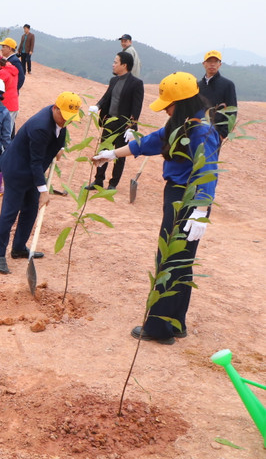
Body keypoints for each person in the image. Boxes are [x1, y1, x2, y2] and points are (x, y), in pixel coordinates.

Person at [91, 72, 220, 345]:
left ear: (181, 102)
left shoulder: (202, 130)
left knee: (170, 261)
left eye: (168, 105)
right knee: (180, 262)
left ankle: (159, 329)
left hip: (188, 199)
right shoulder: (182, 123)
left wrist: (200, 210)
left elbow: (208, 171)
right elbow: (150, 142)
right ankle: (176, 323)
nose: (165, 110)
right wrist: (113, 153)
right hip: (178, 195)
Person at [0, 92, 81, 274]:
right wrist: (44, 190)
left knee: (31, 209)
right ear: (55, 108)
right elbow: (35, 162)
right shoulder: (40, 126)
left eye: (70, 118)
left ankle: (18, 248)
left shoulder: (59, 119)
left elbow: (60, 131)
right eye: (64, 117)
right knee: (10, 213)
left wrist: (60, 147)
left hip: (33, 171)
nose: (66, 121)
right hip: (17, 170)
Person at [85, 51, 144, 190]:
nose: (113, 64)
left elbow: (137, 107)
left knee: (119, 154)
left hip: (123, 125)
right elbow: (106, 98)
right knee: (103, 149)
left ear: (124, 65)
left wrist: (132, 127)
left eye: (116, 62)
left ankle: (113, 184)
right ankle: (98, 180)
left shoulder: (136, 83)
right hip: (109, 121)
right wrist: (97, 106)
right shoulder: (114, 80)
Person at [197, 50, 237, 139]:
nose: (212, 64)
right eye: (209, 61)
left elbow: (232, 111)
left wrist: (222, 134)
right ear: (204, 64)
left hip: (216, 133)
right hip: (198, 131)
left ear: (220, 64)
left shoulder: (227, 85)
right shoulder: (198, 86)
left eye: (216, 61)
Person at [0, 54, 19, 133]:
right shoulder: (12, 69)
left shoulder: (2, 73)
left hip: (4, 105)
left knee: (0, 132)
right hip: (14, 104)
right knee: (8, 132)